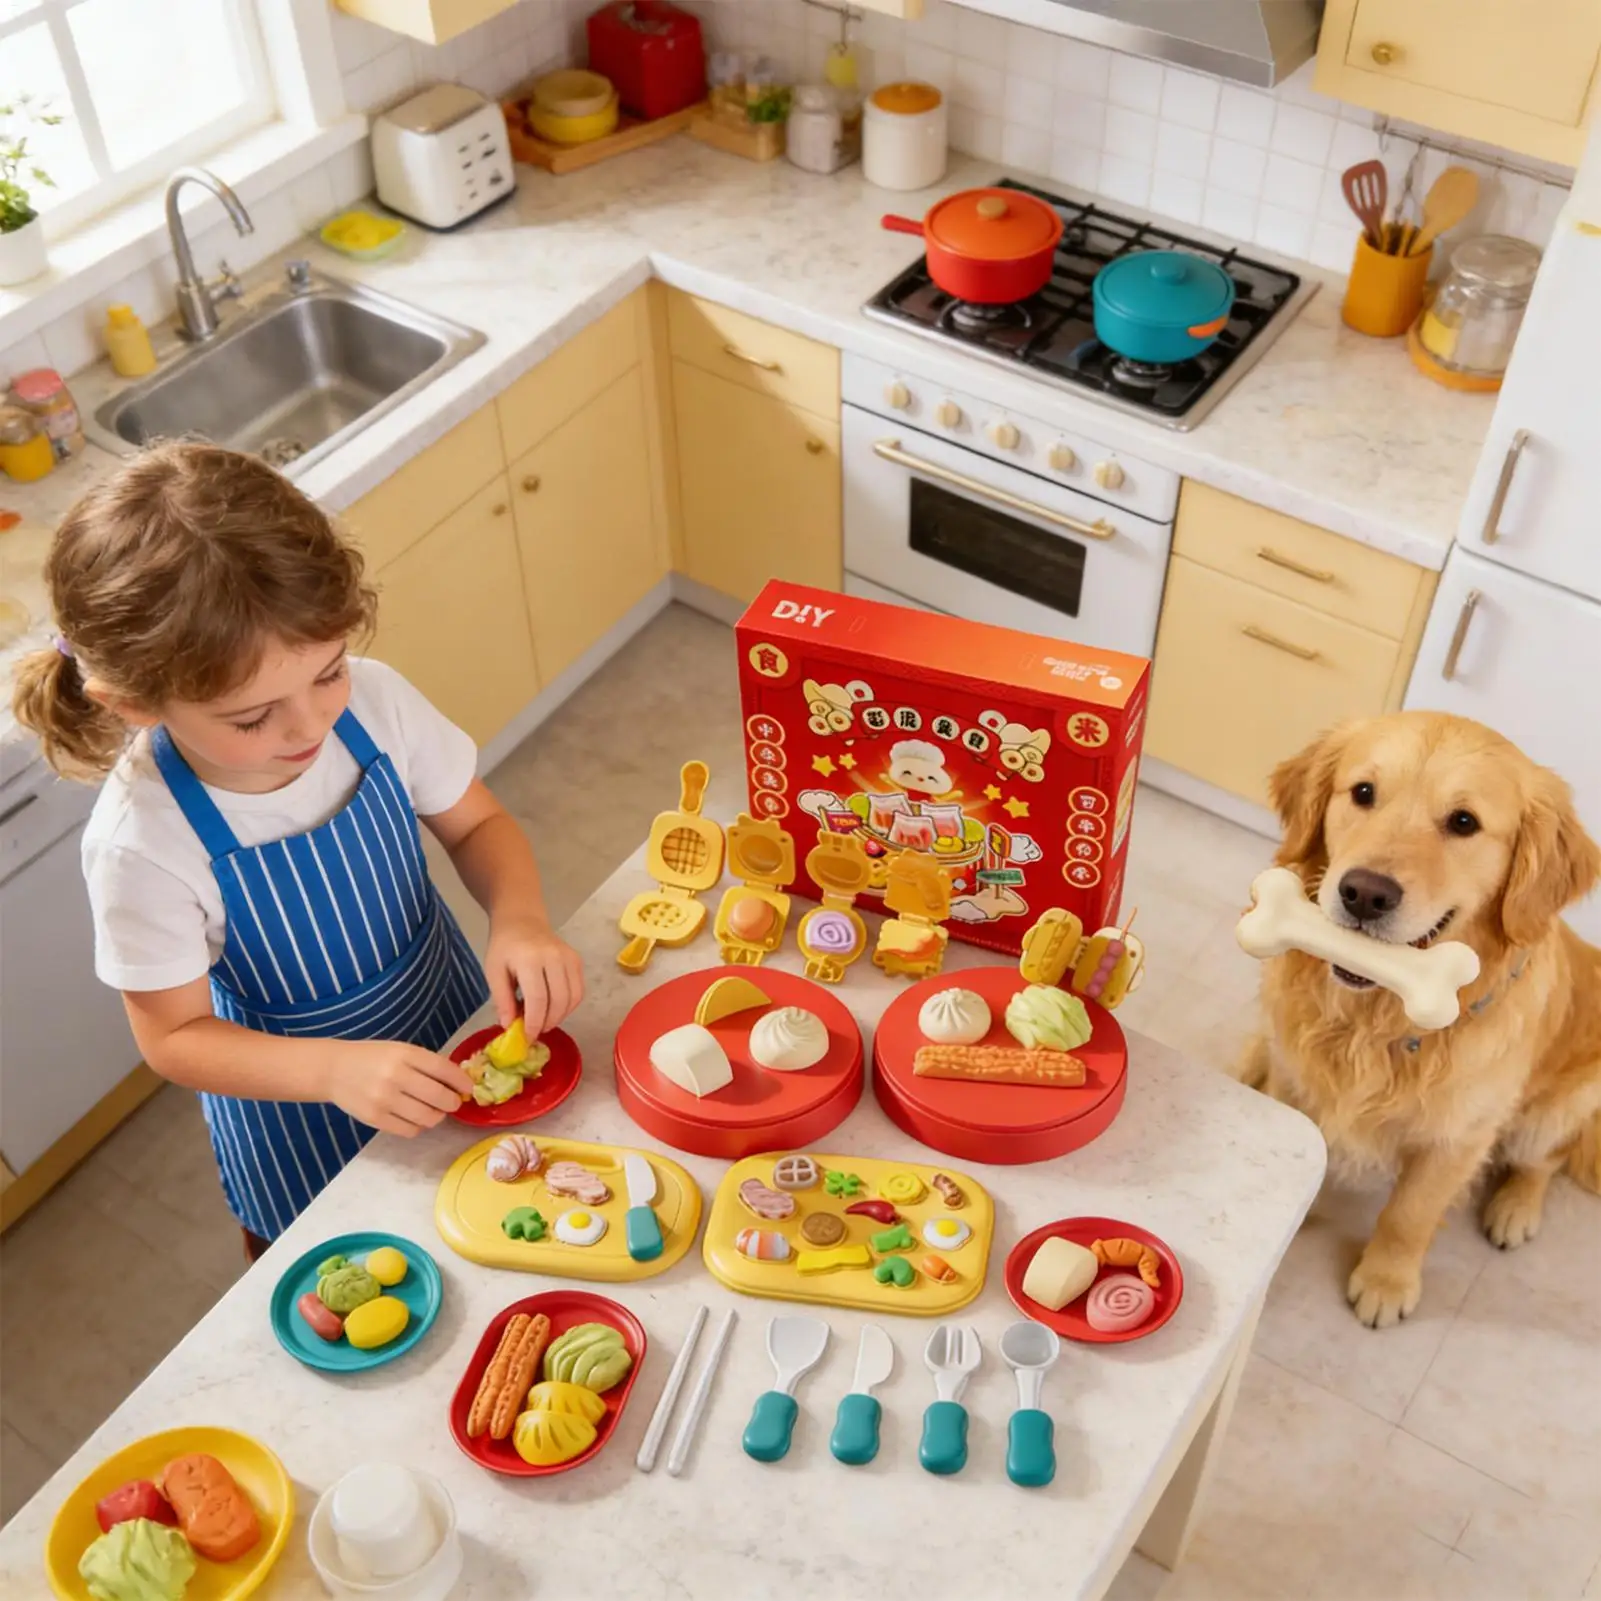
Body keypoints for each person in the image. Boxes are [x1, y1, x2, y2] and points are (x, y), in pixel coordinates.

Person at [12, 441, 582, 1258]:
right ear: (134, 703)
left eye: (328, 671)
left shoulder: (376, 703)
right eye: (252, 717)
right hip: (301, 1119)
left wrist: (520, 918)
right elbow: (174, 1036)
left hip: (447, 1018)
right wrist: (333, 1072)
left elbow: (476, 825)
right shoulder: (143, 841)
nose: (312, 724)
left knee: (497, 1219)